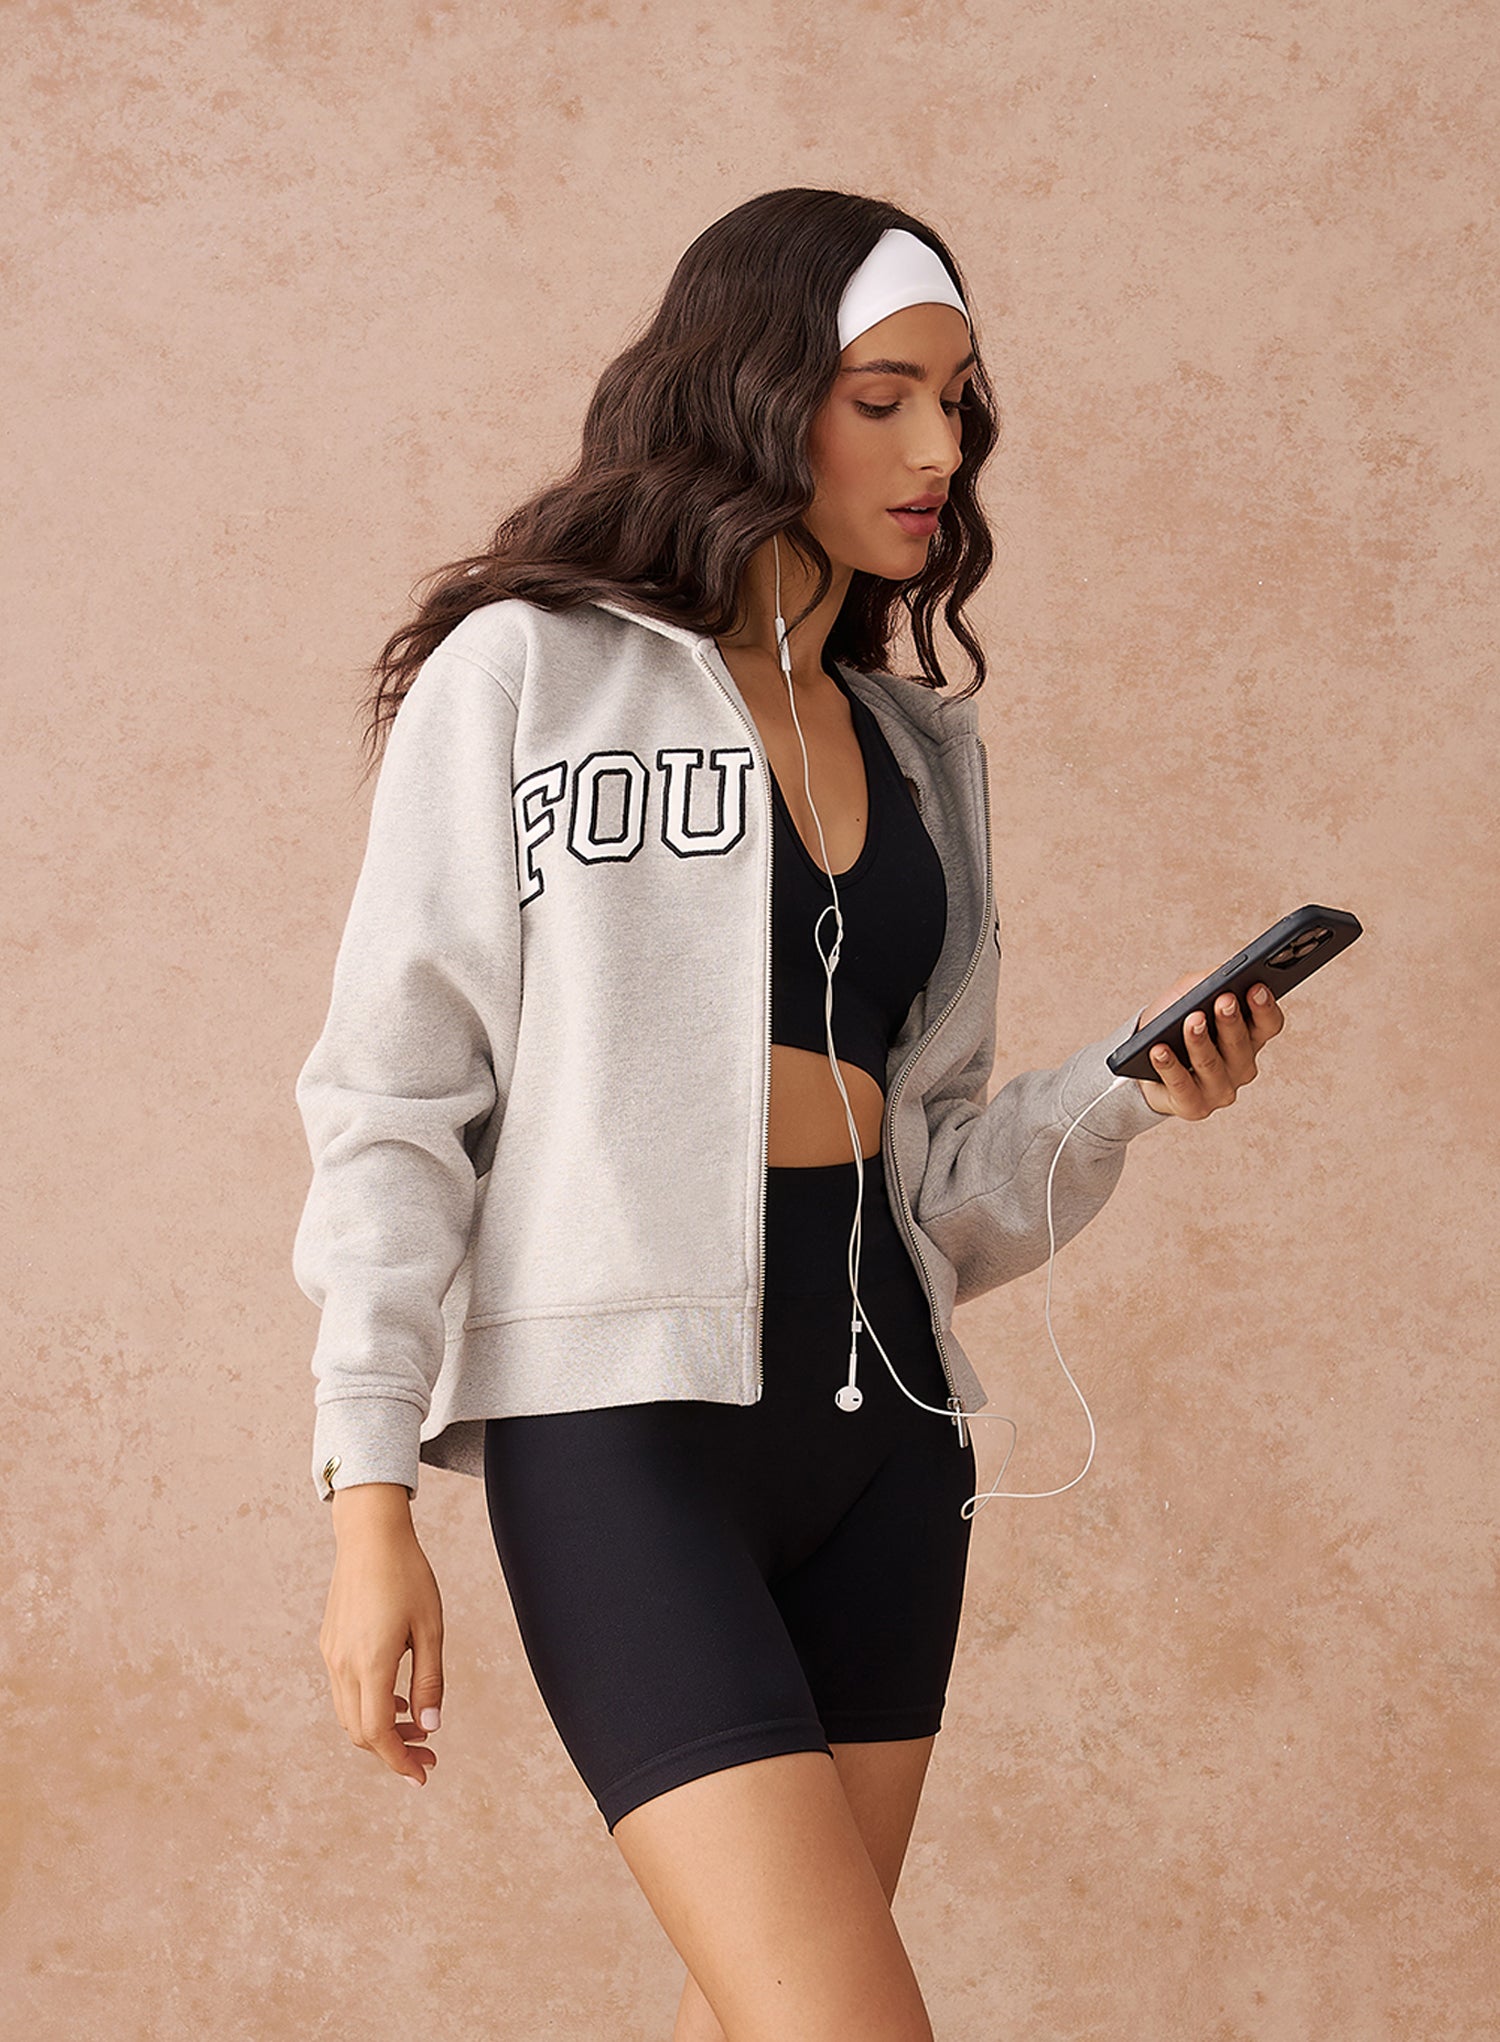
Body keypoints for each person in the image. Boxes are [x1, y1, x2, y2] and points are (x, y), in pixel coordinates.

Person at [293, 188, 1285, 2042]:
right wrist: (369, 1500)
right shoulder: (528, 671)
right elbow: (395, 1098)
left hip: (889, 1437)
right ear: (754, 396)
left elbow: (941, 1179)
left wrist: (1129, 1094)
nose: (941, 451)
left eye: (957, 403)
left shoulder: (919, 749)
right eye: (883, 399)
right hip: (624, 1431)